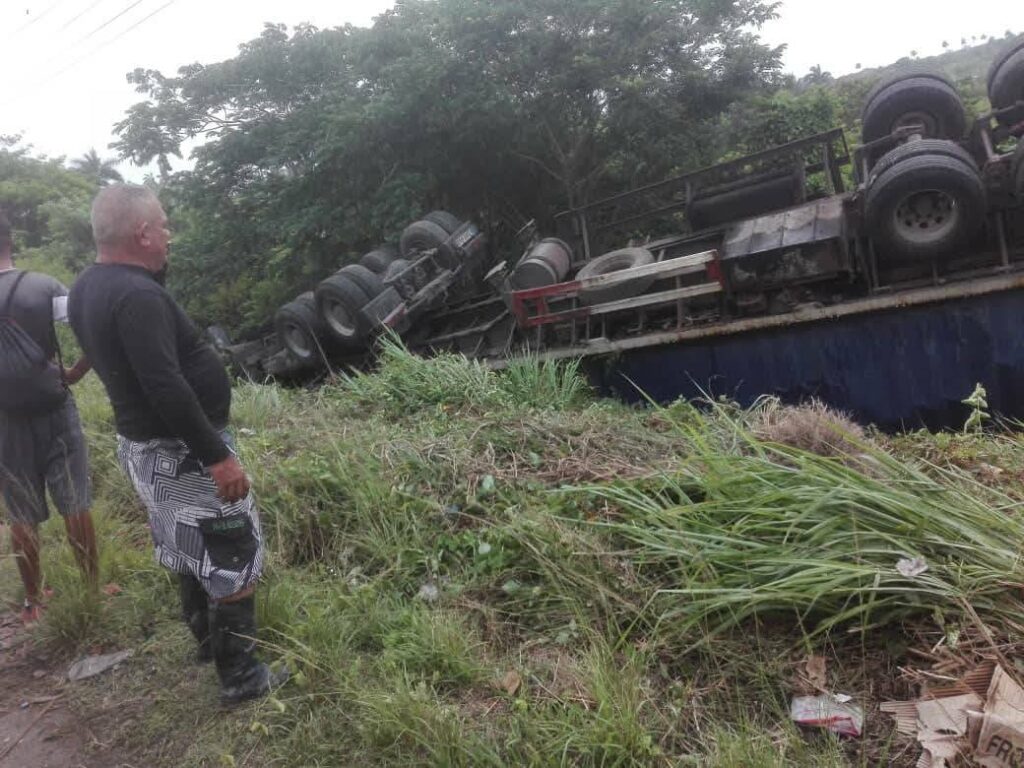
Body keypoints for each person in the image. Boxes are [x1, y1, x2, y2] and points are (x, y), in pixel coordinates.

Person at [69, 185, 285, 703]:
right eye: (163, 225)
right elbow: (164, 384)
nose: (169, 234)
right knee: (231, 548)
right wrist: (217, 456)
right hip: (182, 453)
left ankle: (209, 644)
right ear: (142, 233)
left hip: (147, 450)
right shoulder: (137, 297)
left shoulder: (88, 287)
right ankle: (242, 677)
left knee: (191, 547)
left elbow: (107, 353)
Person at [0, 210, 97, 625]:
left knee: (20, 510)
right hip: (55, 406)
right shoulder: (42, 285)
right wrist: (75, 371)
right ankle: (93, 590)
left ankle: (34, 601)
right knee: (74, 498)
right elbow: (91, 326)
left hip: (5, 418)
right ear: (10, 241)